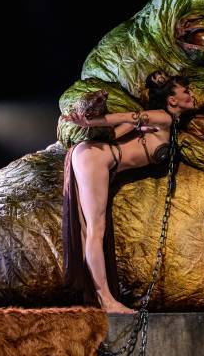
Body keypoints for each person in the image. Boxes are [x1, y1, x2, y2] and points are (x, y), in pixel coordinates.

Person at [61, 71, 195, 314]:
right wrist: (90, 122)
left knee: (90, 229)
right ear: (172, 100)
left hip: (96, 156)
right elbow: (124, 117)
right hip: (95, 158)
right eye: (185, 92)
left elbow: (119, 130)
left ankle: (95, 295)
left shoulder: (158, 124)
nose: (191, 94)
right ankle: (106, 300)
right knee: (95, 229)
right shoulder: (162, 117)